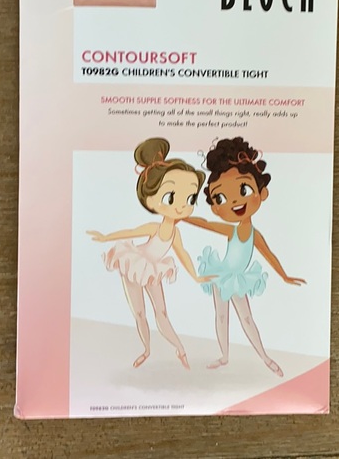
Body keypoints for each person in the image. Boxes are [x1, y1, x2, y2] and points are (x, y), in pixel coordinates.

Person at [87, 137, 213, 369]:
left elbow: (183, 254)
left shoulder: (175, 233)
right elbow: (131, 232)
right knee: (139, 312)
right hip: (135, 263)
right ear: (151, 198)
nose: (181, 206)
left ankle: (180, 349)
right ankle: (146, 349)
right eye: (171, 197)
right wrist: (105, 237)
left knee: (161, 312)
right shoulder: (154, 227)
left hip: (153, 269)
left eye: (190, 198)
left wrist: (196, 276)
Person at [184, 137, 306, 376]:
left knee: (246, 319)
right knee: (221, 316)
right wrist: (183, 217)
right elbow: (207, 224)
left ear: (262, 192)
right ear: (215, 206)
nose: (235, 202)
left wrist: (284, 276)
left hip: (237, 279)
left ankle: (265, 358)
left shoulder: (253, 234)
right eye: (221, 198)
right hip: (221, 276)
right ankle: (224, 356)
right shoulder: (231, 230)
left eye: (243, 190)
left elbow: (269, 255)